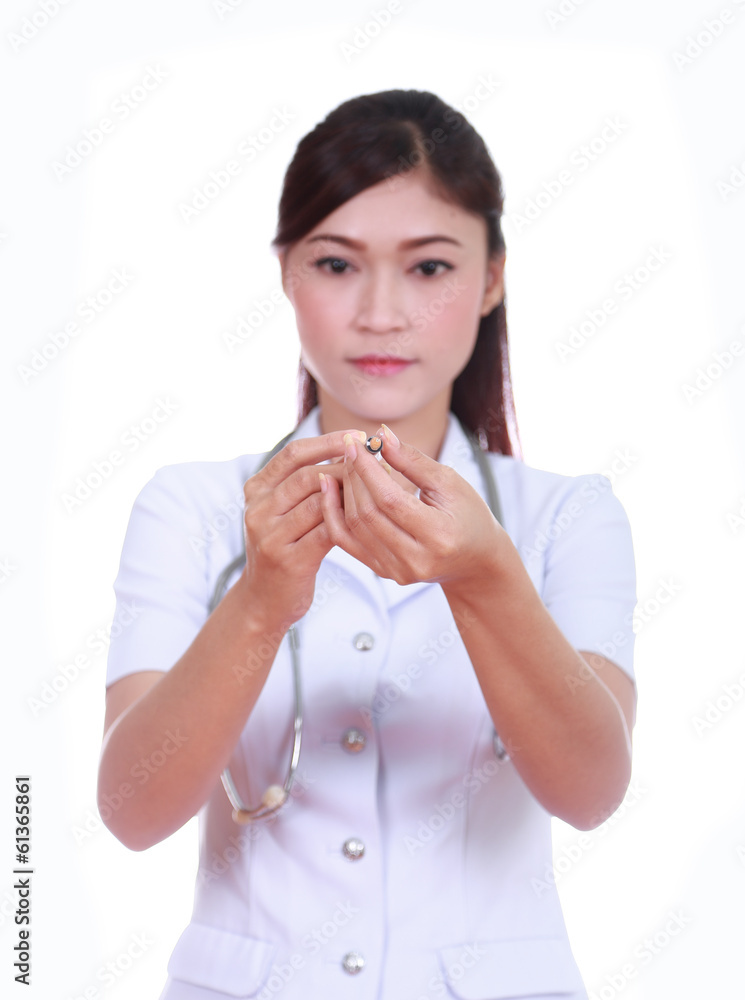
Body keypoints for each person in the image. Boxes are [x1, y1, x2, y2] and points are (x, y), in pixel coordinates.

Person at [97, 89, 637, 1000]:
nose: (380, 313)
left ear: (492, 278)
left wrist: (484, 572)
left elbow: (590, 792)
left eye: (428, 269)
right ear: (285, 272)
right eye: (337, 263)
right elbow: (130, 811)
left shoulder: (566, 518)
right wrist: (262, 598)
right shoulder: (190, 508)